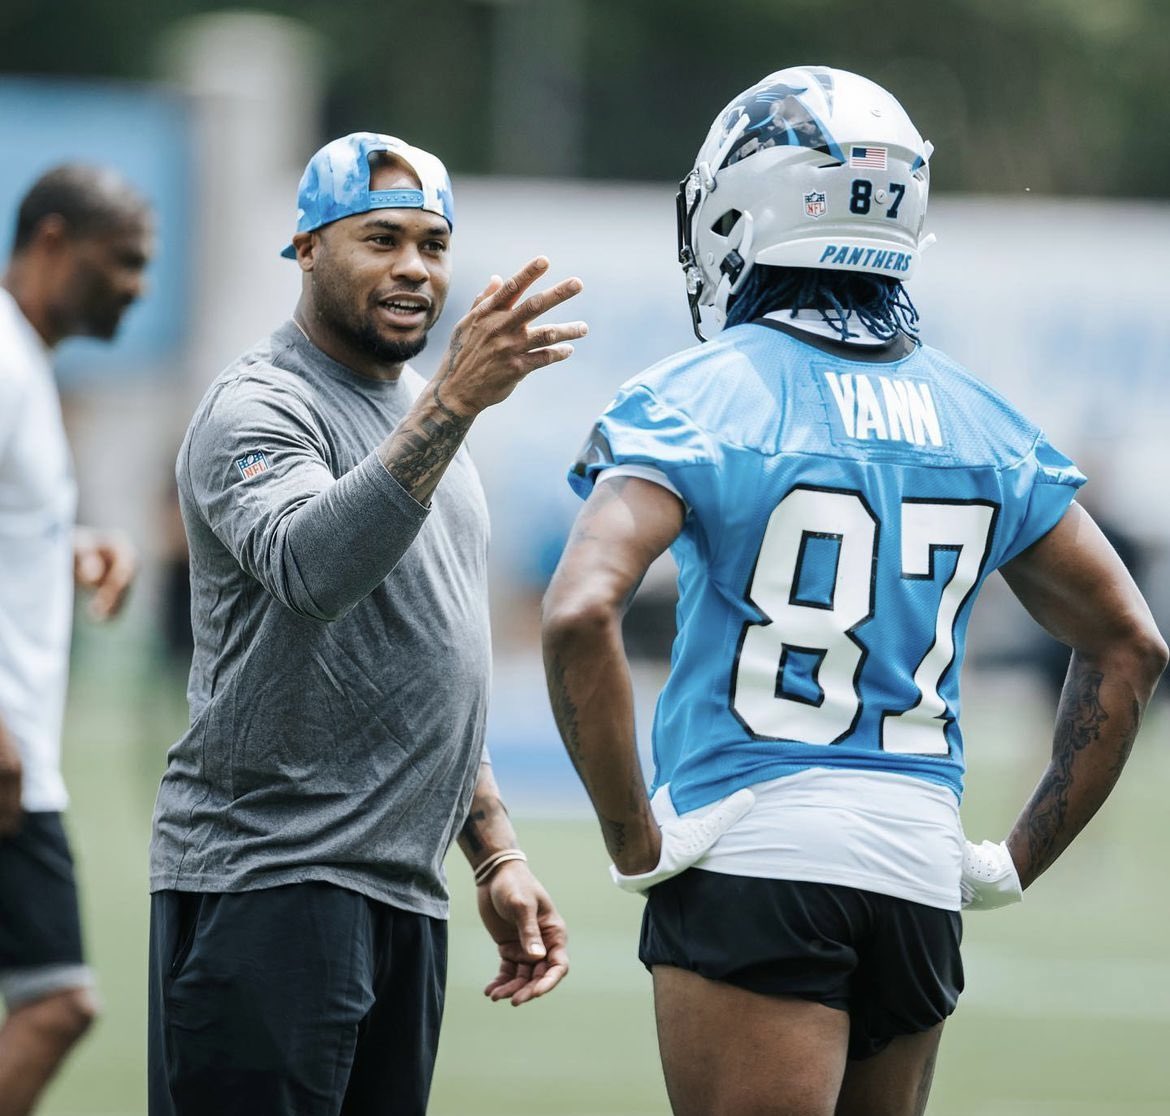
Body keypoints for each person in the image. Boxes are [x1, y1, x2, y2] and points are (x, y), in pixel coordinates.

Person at [541, 67, 1167, 1116]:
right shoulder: (981, 417)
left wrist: (630, 838)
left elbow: (577, 609)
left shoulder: (700, 395)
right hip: (918, 870)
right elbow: (1130, 645)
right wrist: (1016, 859)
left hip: (752, 851)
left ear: (742, 211)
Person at [147, 132, 584, 1116]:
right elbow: (313, 568)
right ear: (306, 247)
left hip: (399, 892)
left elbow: (429, 656)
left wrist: (497, 852)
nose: (413, 269)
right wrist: (460, 405)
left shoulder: (430, 418)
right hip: (269, 886)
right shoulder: (258, 406)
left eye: (433, 244)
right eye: (380, 239)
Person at [0, 164, 153, 1116]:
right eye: (124, 261)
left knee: (53, 997)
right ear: (53, 240)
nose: (137, 285)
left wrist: (67, 547)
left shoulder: (27, 361)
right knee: (57, 1002)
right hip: (8, 749)